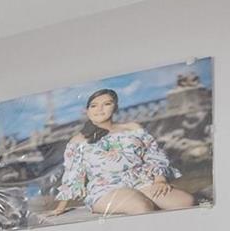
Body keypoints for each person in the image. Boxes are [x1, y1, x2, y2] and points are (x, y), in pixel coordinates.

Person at [50, 88, 195, 217]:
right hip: (106, 188)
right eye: (94, 105)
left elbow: (153, 154)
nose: (99, 109)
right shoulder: (78, 140)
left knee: (185, 201)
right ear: (87, 111)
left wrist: (160, 180)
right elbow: (73, 175)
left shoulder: (132, 128)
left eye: (107, 104)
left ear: (116, 107)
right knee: (141, 206)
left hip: (141, 181)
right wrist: (61, 207)